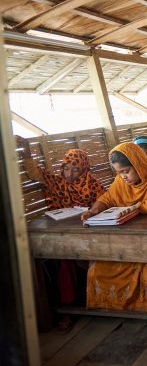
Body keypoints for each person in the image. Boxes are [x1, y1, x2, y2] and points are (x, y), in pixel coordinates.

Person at [16, 136, 105, 332]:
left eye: (75, 169)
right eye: (66, 168)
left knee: (76, 262)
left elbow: (106, 205)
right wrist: (26, 150)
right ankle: (68, 310)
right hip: (62, 234)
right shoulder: (56, 183)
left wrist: (91, 213)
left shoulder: (93, 184)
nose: (69, 173)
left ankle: (80, 307)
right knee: (63, 263)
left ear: (83, 169)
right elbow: (34, 172)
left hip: (90, 235)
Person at [82, 143, 147, 311]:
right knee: (98, 269)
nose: (123, 176)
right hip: (125, 240)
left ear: (139, 164)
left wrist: (132, 208)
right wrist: (94, 210)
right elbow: (108, 198)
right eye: (119, 172)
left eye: (126, 171)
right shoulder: (120, 182)